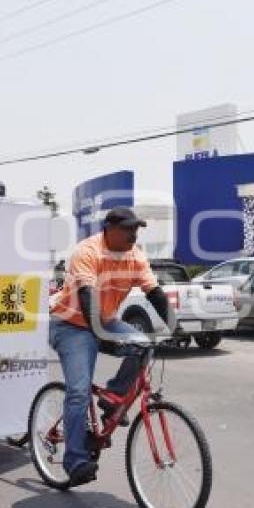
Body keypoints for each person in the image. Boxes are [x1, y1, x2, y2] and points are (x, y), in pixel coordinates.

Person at [49, 207, 174, 487]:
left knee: (143, 345)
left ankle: (112, 397)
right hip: (70, 325)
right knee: (79, 391)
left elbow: (154, 293)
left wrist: (172, 325)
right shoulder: (88, 251)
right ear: (110, 229)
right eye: (128, 229)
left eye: (137, 229)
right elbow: (85, 296)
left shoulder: (135, 256)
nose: (134, 234)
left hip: (104, 321)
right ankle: (76, 460)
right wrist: (100, 333)